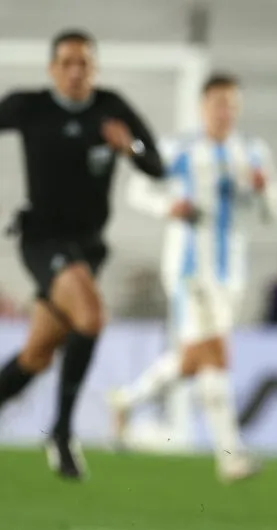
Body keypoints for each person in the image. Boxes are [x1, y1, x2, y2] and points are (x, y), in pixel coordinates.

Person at [0, 29, 163, 479]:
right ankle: (61, 432)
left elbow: (156, 163)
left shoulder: (111, 108)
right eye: (67, 62)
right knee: (91, 317)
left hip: (89, 248)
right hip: (42, 241)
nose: (75, 71)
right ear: (52, 68)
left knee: (37, 353)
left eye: (84, 63)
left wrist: (128, 148)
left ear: (94, 68)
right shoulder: (29, 107)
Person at [109, 72, 277, 482]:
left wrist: (263, 191)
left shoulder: (253, 152)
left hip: (231, 272)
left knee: (197, 357)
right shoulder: (177, 148)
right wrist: (168, 206)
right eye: (218, 103)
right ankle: (231, 456)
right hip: (188, 267)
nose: (225, 112)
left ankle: (126, 399)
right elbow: (137, 191)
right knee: (215, 352)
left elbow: (274, 212)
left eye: (231, 105)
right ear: (203, 106)